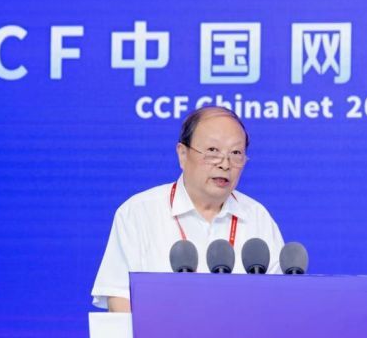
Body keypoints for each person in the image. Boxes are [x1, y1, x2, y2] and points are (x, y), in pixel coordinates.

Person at [91, 106, 284, 312]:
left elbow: (280, 300)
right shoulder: (139, 213)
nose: (225, 164)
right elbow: (119, 297)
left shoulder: (257, 217)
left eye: (236, 153)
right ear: (183, 154)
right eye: (212, 151)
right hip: (160, 333)